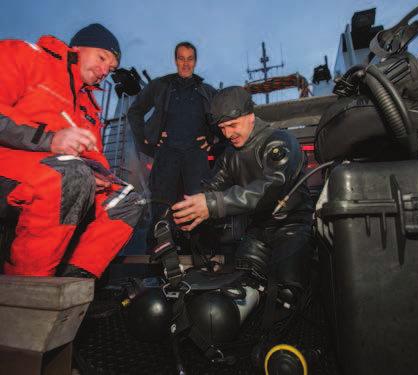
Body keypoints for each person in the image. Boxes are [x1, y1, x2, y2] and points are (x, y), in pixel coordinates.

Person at [0, 23, 144, 278]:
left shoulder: (90, 107)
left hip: (61, 174)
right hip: (11, 164)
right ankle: (29, 289)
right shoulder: (26, 56)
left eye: (110, 69)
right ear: (78, 47)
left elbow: (94, 154)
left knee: (127, 199)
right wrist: (48, 140)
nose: (103, 71)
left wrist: (102, 176)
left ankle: (72, 284)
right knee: (71, 175)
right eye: (101, 58)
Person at [172, 86, 314, 288]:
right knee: (242, 288)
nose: (228, 134)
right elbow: (212, 187)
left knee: (289, 293)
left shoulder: (280, 141)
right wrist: (187, 212)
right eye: (222, 128)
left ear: (250, 116)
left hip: (292, 226)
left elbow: (273, 185)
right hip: (256, 231)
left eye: (232, 125)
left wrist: (213, 204)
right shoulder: (230, 155)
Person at [127, 41, 217, 243]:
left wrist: (214, 139)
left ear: (195, 61)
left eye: (190, 59)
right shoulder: (160, 86)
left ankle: (203, 267)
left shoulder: (207, 91)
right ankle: (157, 268)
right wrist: (148, 143)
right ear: (175, 60)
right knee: (161, 212)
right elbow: (135, 112)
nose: (185, 64)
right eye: (181, 58)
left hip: (196, 162)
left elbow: (226, 116)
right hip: (166, 158)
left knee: (198, 212)